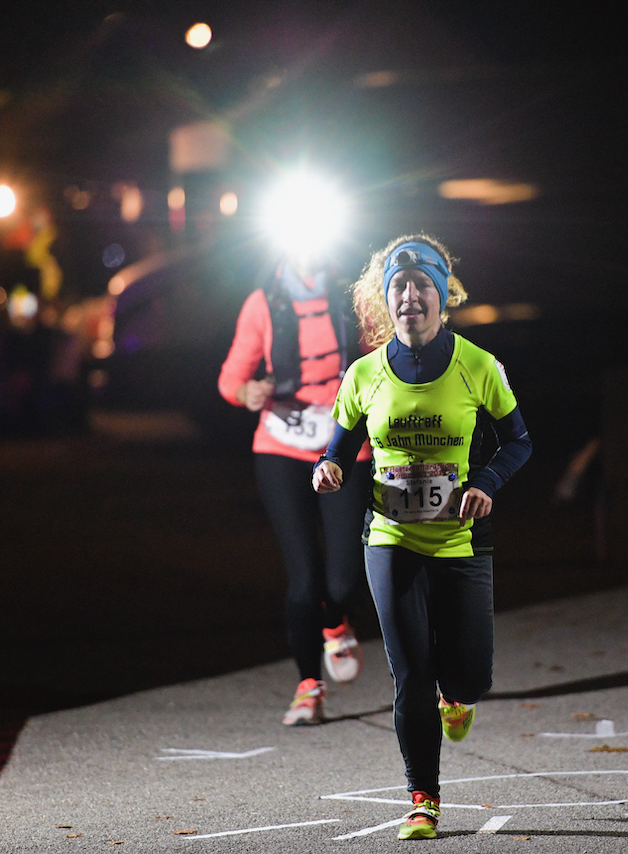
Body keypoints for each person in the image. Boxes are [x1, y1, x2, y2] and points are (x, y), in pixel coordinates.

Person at [313, 235, 531, 839]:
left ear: (442, 297)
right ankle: (423, 799)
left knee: (469, 675)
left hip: (462, 540)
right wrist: (328, 468)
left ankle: (458, 697)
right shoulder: (363, 375)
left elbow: (519, 441)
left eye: (421, 287)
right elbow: (337, 449)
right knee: (410, 671)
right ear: (387, 302)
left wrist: (485, 481)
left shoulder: (478, 365)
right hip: (390, 538)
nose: (410, 297)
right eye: (398, 289)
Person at [218, 256, 373, 725]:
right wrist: (247, 393)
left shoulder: (355, 298)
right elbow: (230, 379)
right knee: (304, 579)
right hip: (280, 449)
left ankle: (335, 621)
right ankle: (309, 687)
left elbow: (387, 358)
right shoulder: (263, 303)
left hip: (345, 446)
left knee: (345, 578)